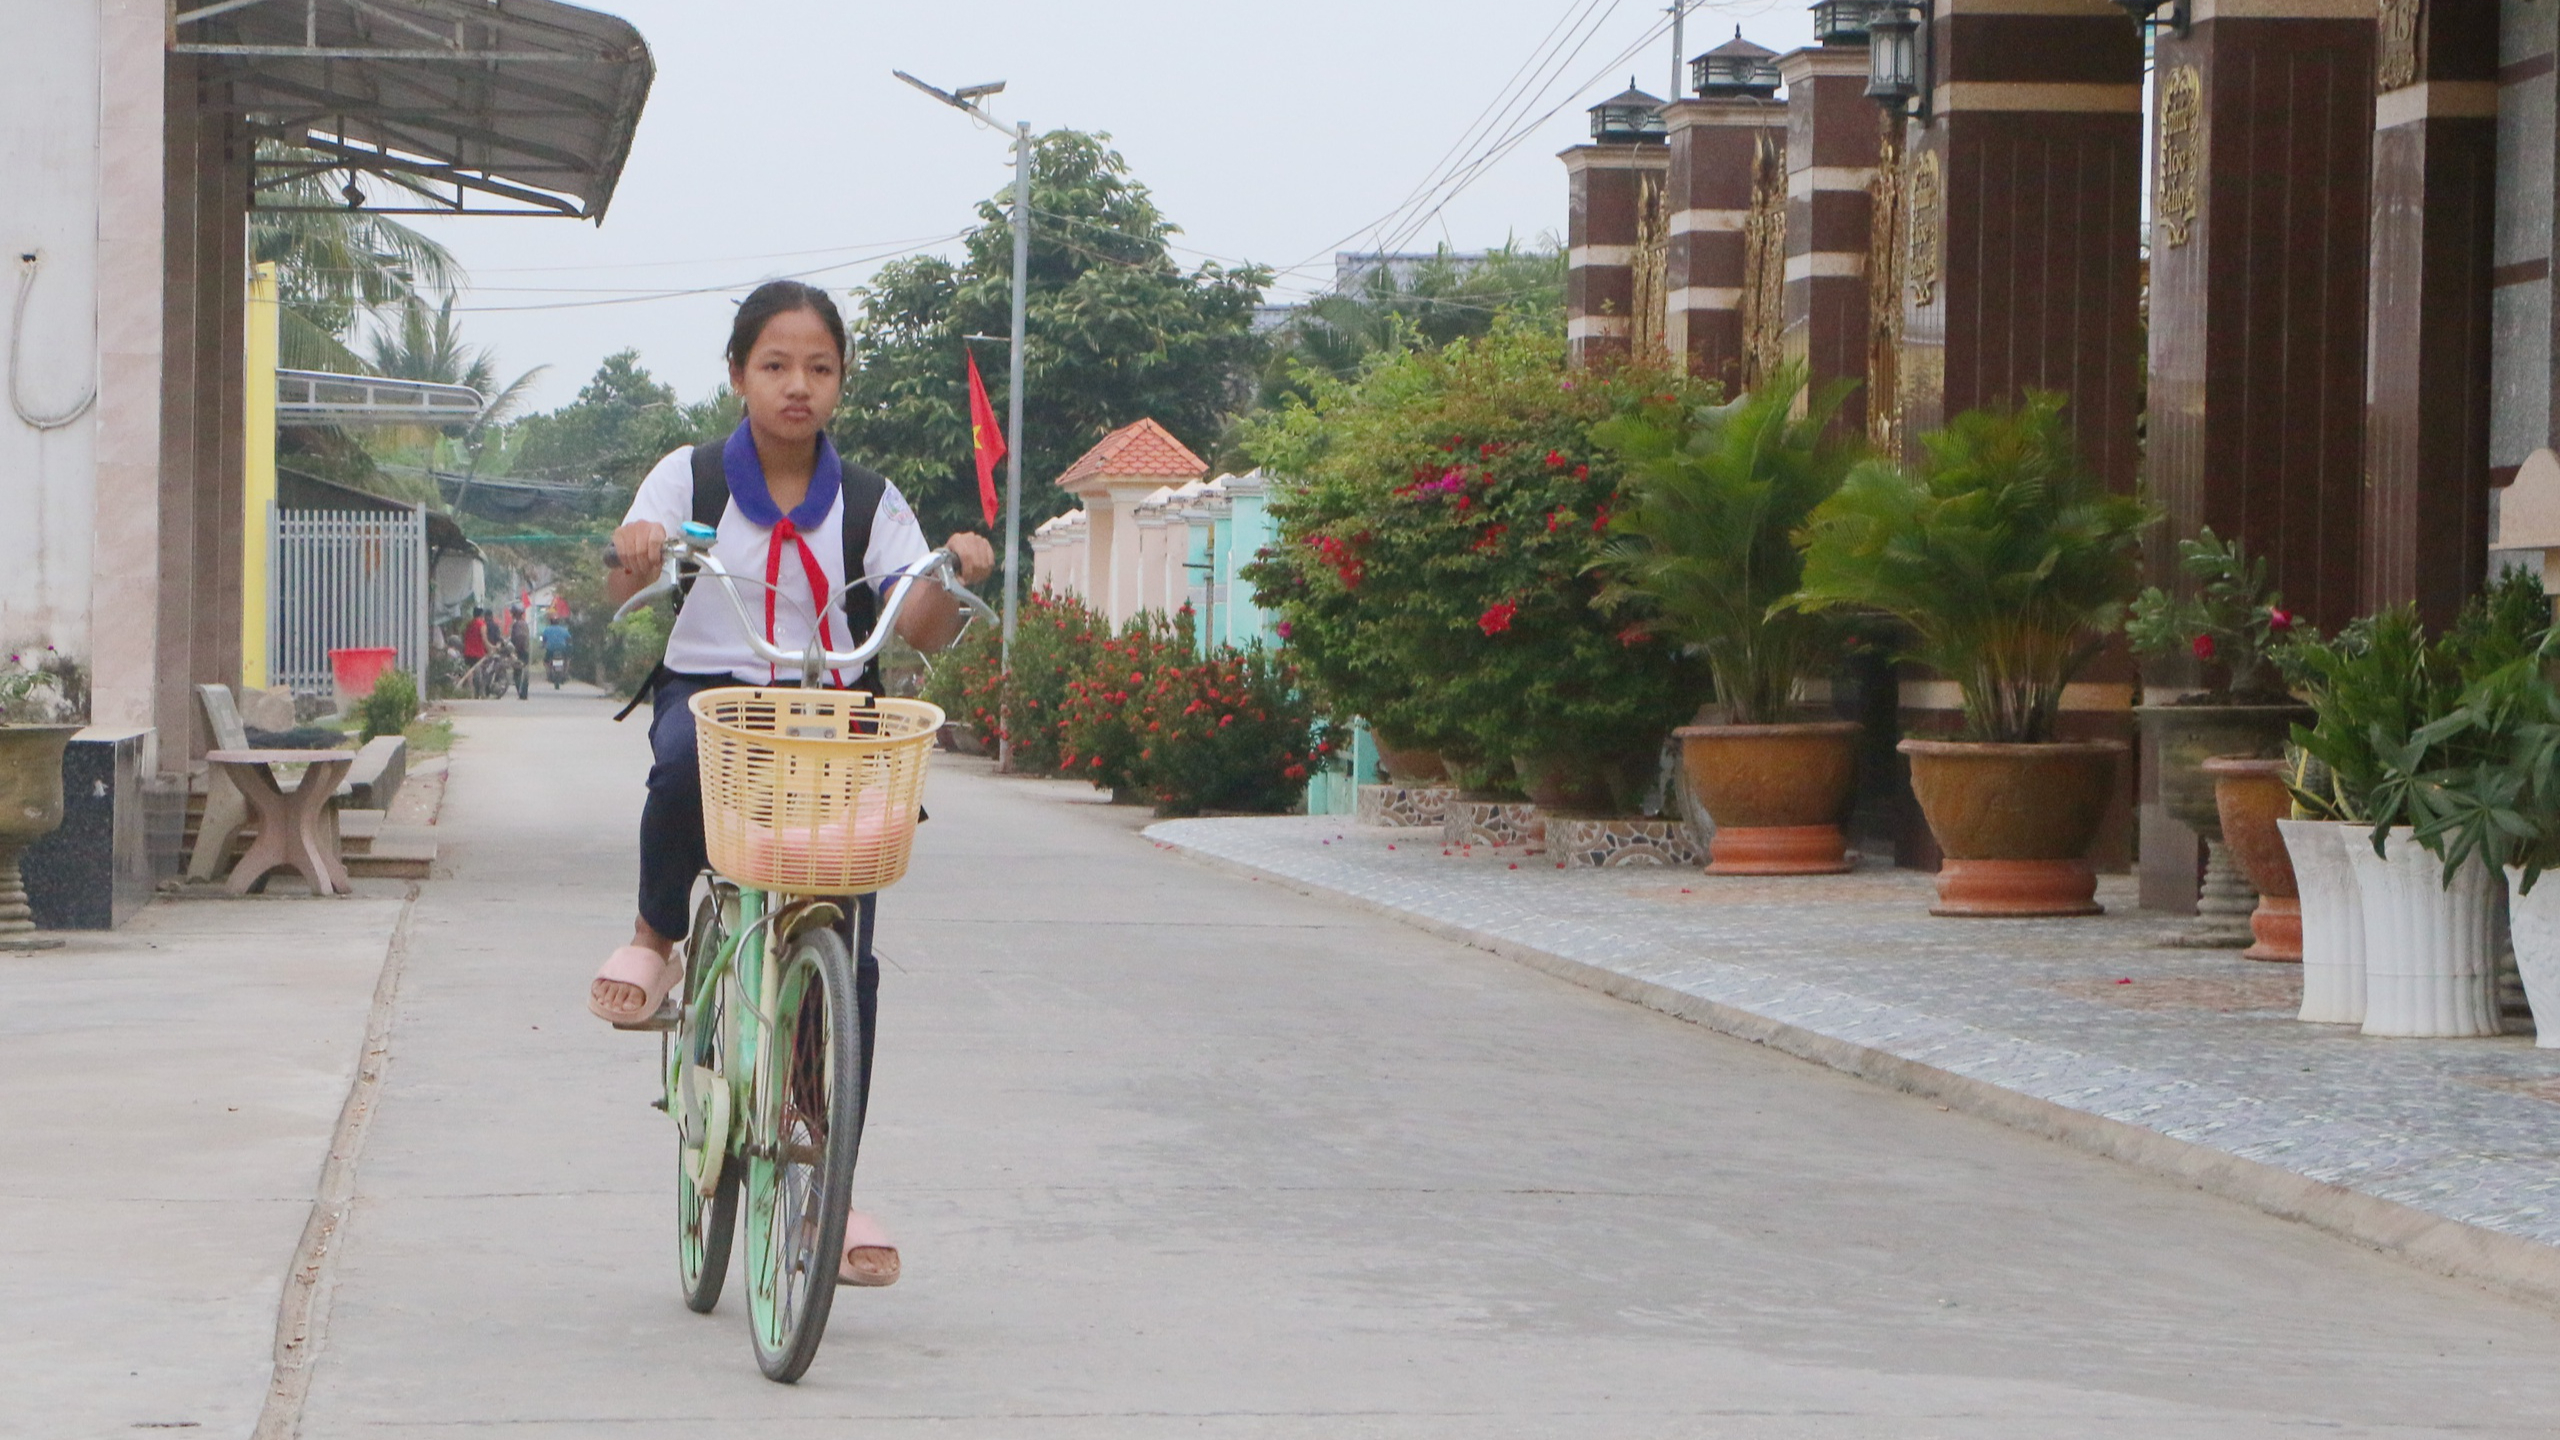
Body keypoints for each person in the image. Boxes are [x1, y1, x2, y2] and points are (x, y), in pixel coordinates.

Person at [597, 280, 994, 1288]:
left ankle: (833, 1178)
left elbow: (920, 625)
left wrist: (954, 577)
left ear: (840, 384)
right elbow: (620, 580)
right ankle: (655, 937)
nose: (796, 386)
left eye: (819, 368)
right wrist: (637, 549)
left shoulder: (869, 500)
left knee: (848, 941)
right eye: (775, 365)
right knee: (680, 757)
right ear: (738, 374)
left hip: (832, 707)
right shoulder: (688, 479)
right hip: (717, 696)